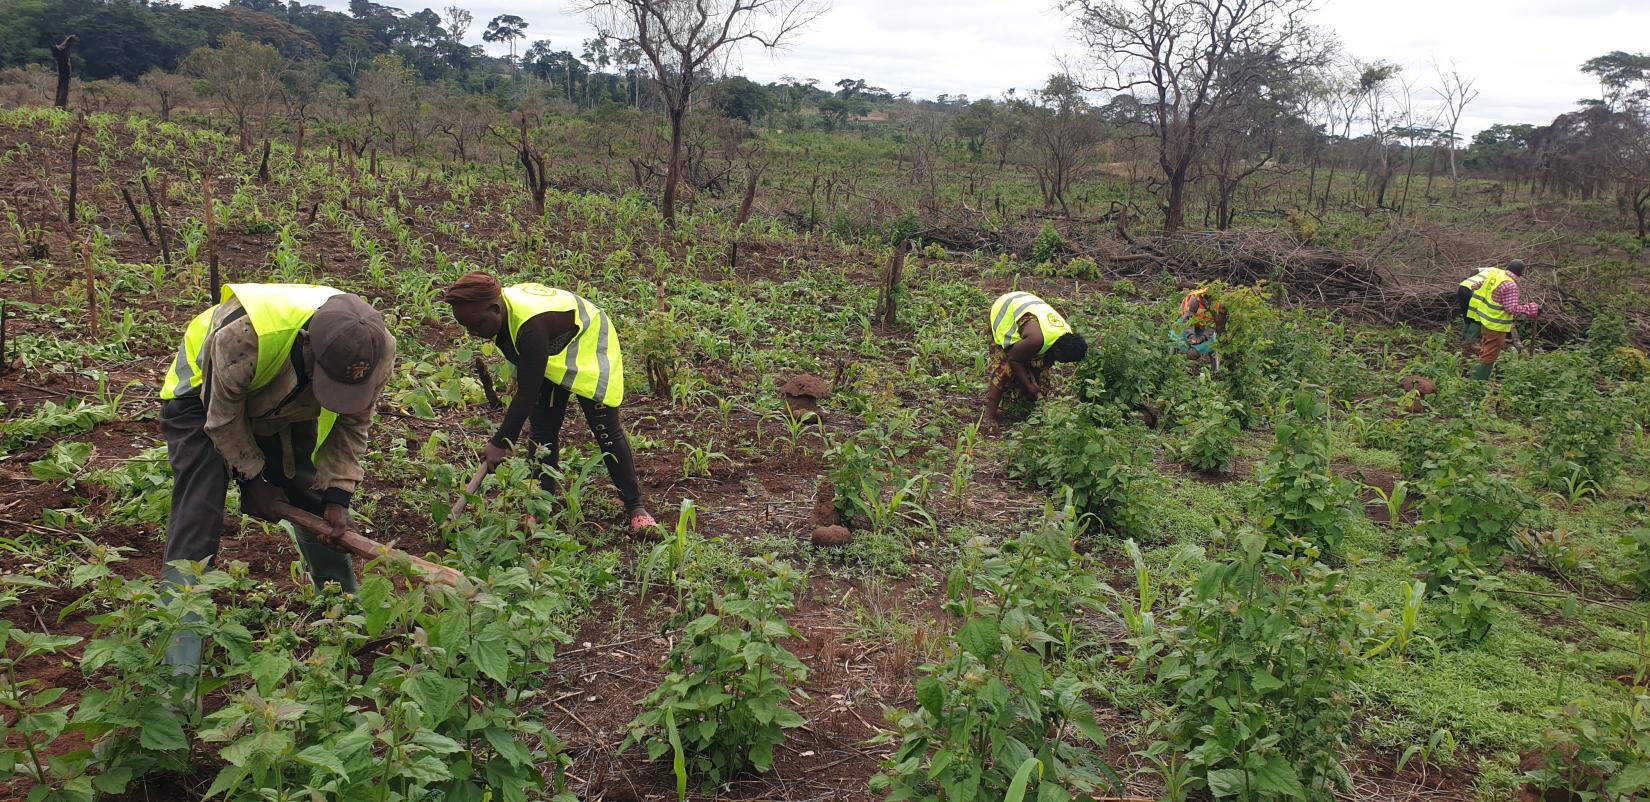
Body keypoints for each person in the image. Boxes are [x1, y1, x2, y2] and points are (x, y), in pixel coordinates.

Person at [159, 283, 395, 671]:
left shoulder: (374, 347)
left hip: (284, 397)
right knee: (199, 512)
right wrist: (252, 480)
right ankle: (179, 654)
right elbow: (222, 420)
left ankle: (343, 613)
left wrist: (337, 497)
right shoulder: (243, 336)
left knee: (307, 492)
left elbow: (354, 423)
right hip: (204, 394)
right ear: (308, 346)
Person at [440, 272, 655, 532]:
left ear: (495, 308)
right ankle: (541, 508)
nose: (472, 333)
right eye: (466, 327)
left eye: (475, 325)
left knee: (605, 429)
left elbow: (526, 393)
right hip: (552, 347)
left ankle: (635, 507)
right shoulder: (501, 313)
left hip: (589, 341)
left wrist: (500, 441)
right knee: (543, 430)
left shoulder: (530, 327)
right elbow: (531, 380)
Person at [984, 290, 1089, 422]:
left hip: (1026, 304)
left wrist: (1034, 380)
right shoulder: (1036, 339)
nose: (1060, 363)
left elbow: (1041, 364)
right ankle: (989, 416)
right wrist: (1028, 384)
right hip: (1006, 309)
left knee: (1042, 379)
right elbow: (1013, 358)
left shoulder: (1066, 337)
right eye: (1062, 360)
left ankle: (1024, 408)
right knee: (1005, 370)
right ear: (1058, 351)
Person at [1461, 260, 1540, 379]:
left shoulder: (1496, 275)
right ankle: (1477, 382)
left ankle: (1475, 375)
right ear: (1521, 273)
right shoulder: (1510, 285)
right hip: (1496, 325)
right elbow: (1511, 309)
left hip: (1486, 321)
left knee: (1485, 349)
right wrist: (1531, 308)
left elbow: (1475, 286)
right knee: (1490, 354)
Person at [1169, 285, 1227, 364]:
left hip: (1203, 325)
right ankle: (1171, 359)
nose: (1208, 301)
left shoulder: (1219, 307)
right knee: (1176, 336)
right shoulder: (1195, 300)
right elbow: (1188, 321)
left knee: (1213, 343)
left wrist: (1202, 338)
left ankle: (1215, 371)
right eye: (1206, 298)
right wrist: (1192, 337)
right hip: (1185, 322)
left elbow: (1212, 327)